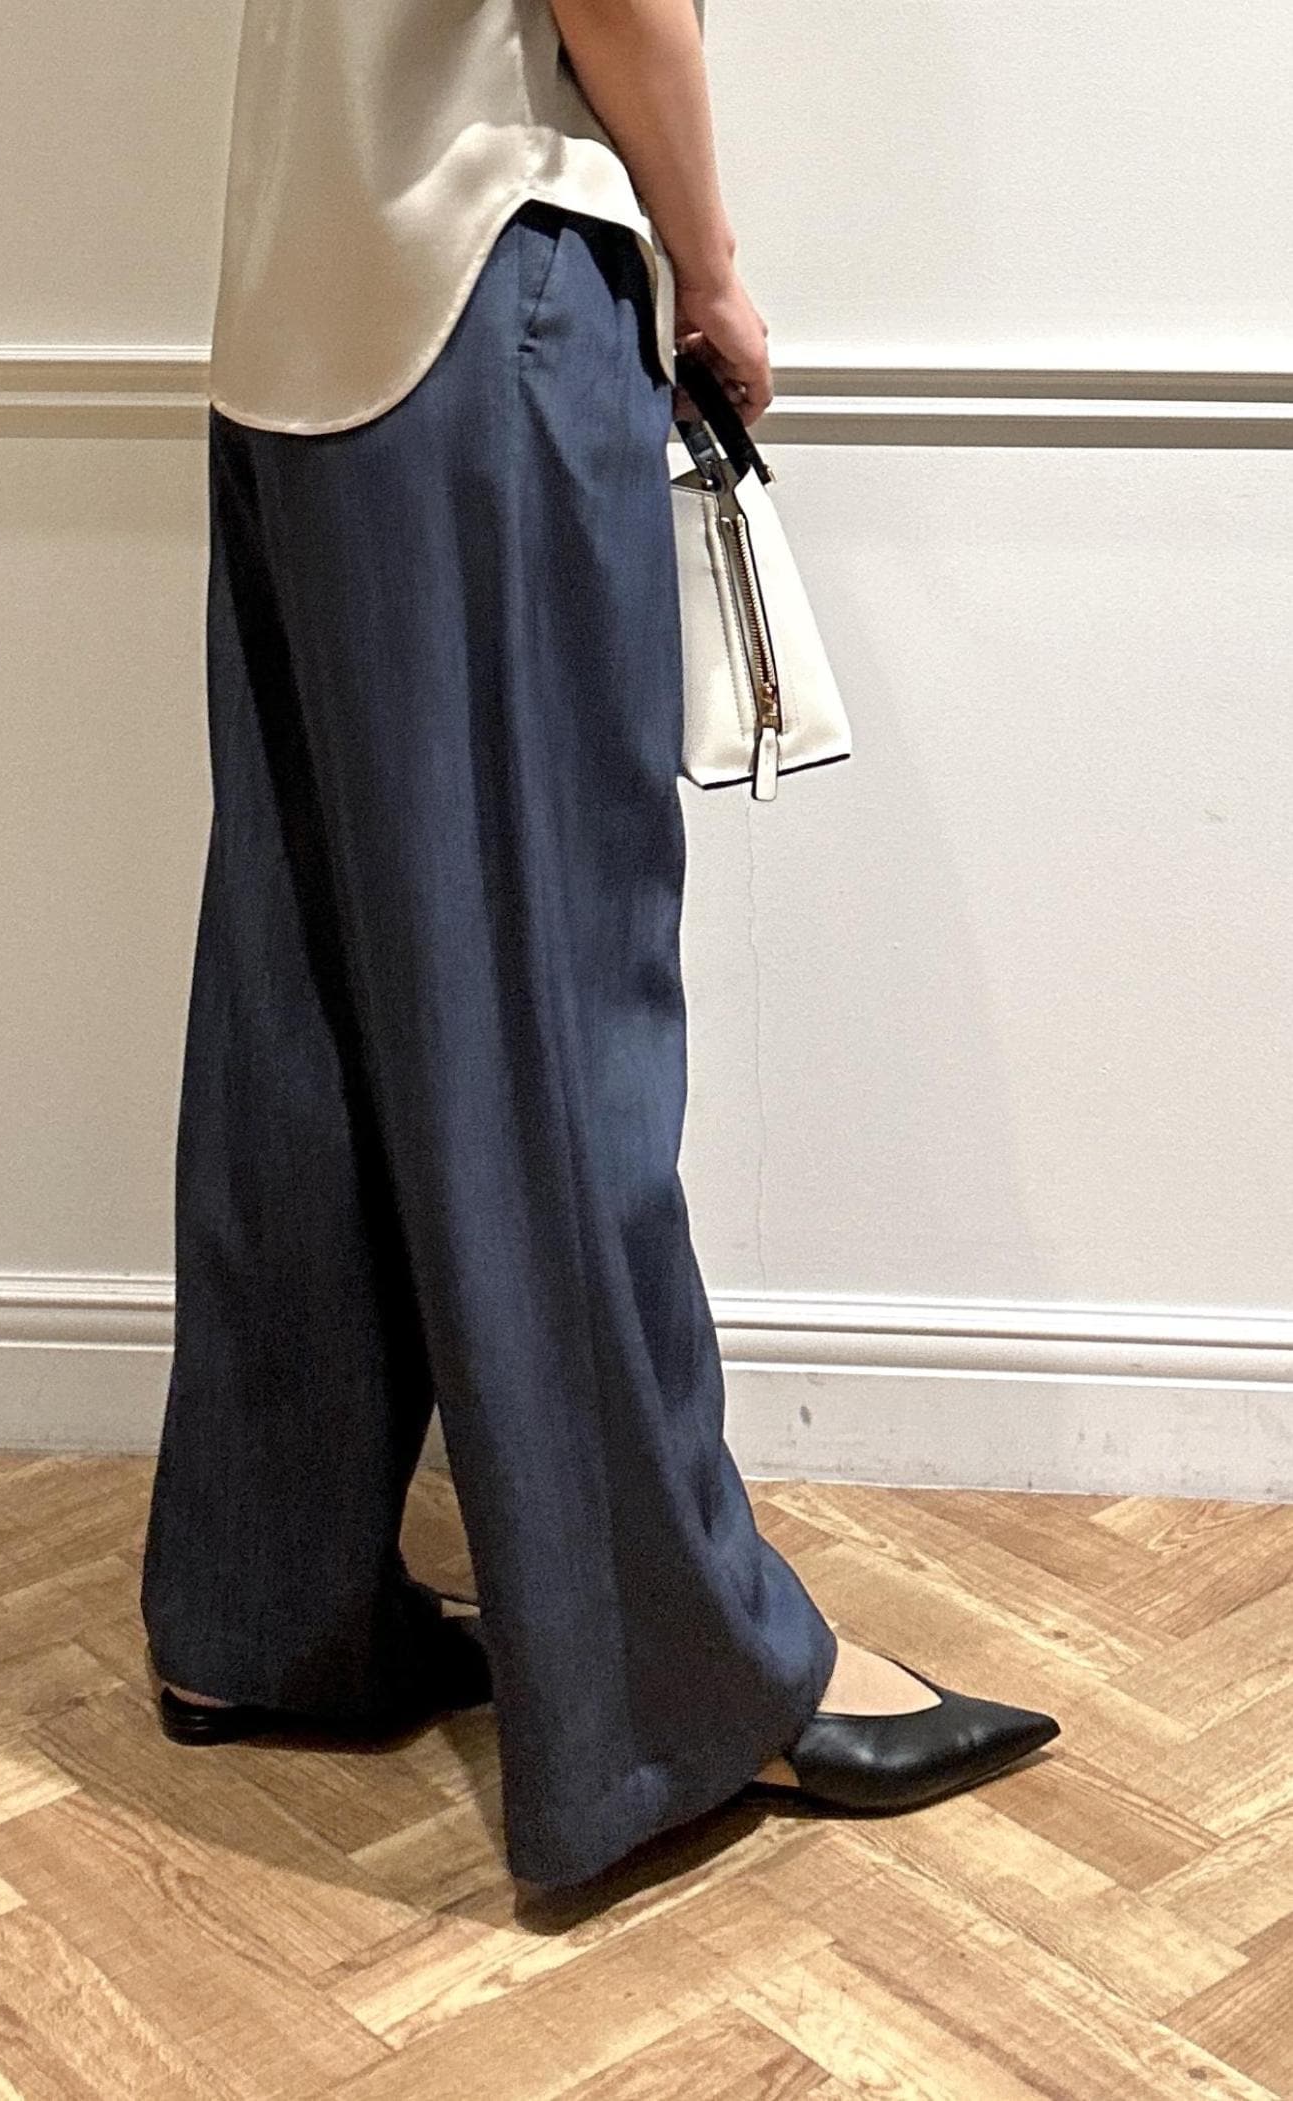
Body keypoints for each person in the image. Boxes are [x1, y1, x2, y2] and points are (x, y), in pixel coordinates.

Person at [138, 0, 1059, 1892]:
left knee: (304, 1009)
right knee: (549, 1024)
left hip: (295, 316)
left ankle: (261, 1607)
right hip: (489, 294)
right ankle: (678, 1677)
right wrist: (709, 268)